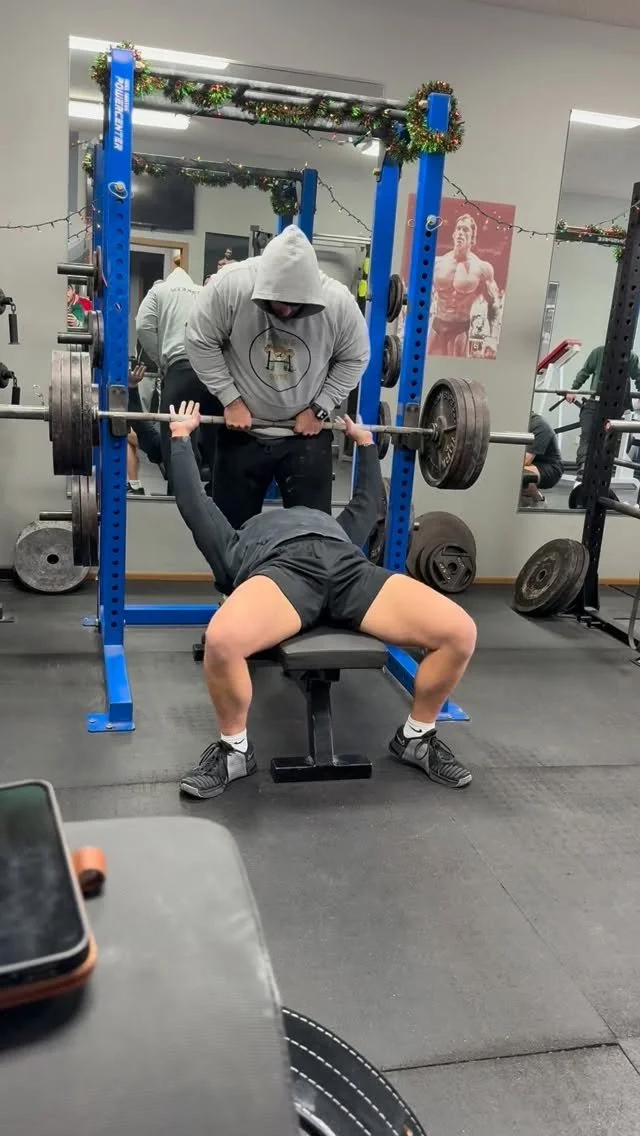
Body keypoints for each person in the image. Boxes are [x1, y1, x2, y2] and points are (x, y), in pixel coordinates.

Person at [169, 399, 476, 800]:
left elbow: (368, 502)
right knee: (222, 639)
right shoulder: (236, 540)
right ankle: (234, 751)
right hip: (282, 571)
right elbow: (196, 504)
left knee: (459, 631)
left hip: (350, 569)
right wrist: (180, 438)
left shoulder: (340, 529)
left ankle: (417, 737)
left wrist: (365, 443)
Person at [185, 225, 370, 528]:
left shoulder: (338, 303)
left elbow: (356, 358)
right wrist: (230, 400)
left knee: (314, 536)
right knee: (229, 534)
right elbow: (199, 341)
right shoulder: (231, 286)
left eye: (293, 304)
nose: (285, 310)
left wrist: (320, 408)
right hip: (242, 431)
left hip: (306, 435)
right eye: (278, 302)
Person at [135, 255, 222, 494]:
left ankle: (178, 499)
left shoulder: (158, 291)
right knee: (217, 440)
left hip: (180, 369)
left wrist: (161, 360)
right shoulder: (203, 292)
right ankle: (218, 497)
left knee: (176, 438)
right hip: (213, 372)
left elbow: (143, 326)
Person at [427, 214, 501, 358]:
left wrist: (492, 337)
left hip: (460, 329)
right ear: (453, 234)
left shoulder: (482, 268)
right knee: (425, 363)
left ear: (473, 238)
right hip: (437, 325)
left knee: (455, 369)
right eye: (458, 229)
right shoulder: (437, 263)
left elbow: (493, 305)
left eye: (465, 230)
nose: (461, 232)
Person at [566, 344, 640, 482]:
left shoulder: (631, 357)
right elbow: (585, 372)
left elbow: (638, 377)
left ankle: (602, 470)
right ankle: (583, 467)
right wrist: (573, 389)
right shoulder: (598, 352)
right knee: (587, 435)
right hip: (595, 403)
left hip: (618, 406)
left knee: (611, 440)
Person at [520, 411, 563, 505]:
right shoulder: (518, 422)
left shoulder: (539, 425)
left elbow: (526, 460)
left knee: (518, 473)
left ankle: (539, 501)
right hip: (533, 463)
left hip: (551, 468)